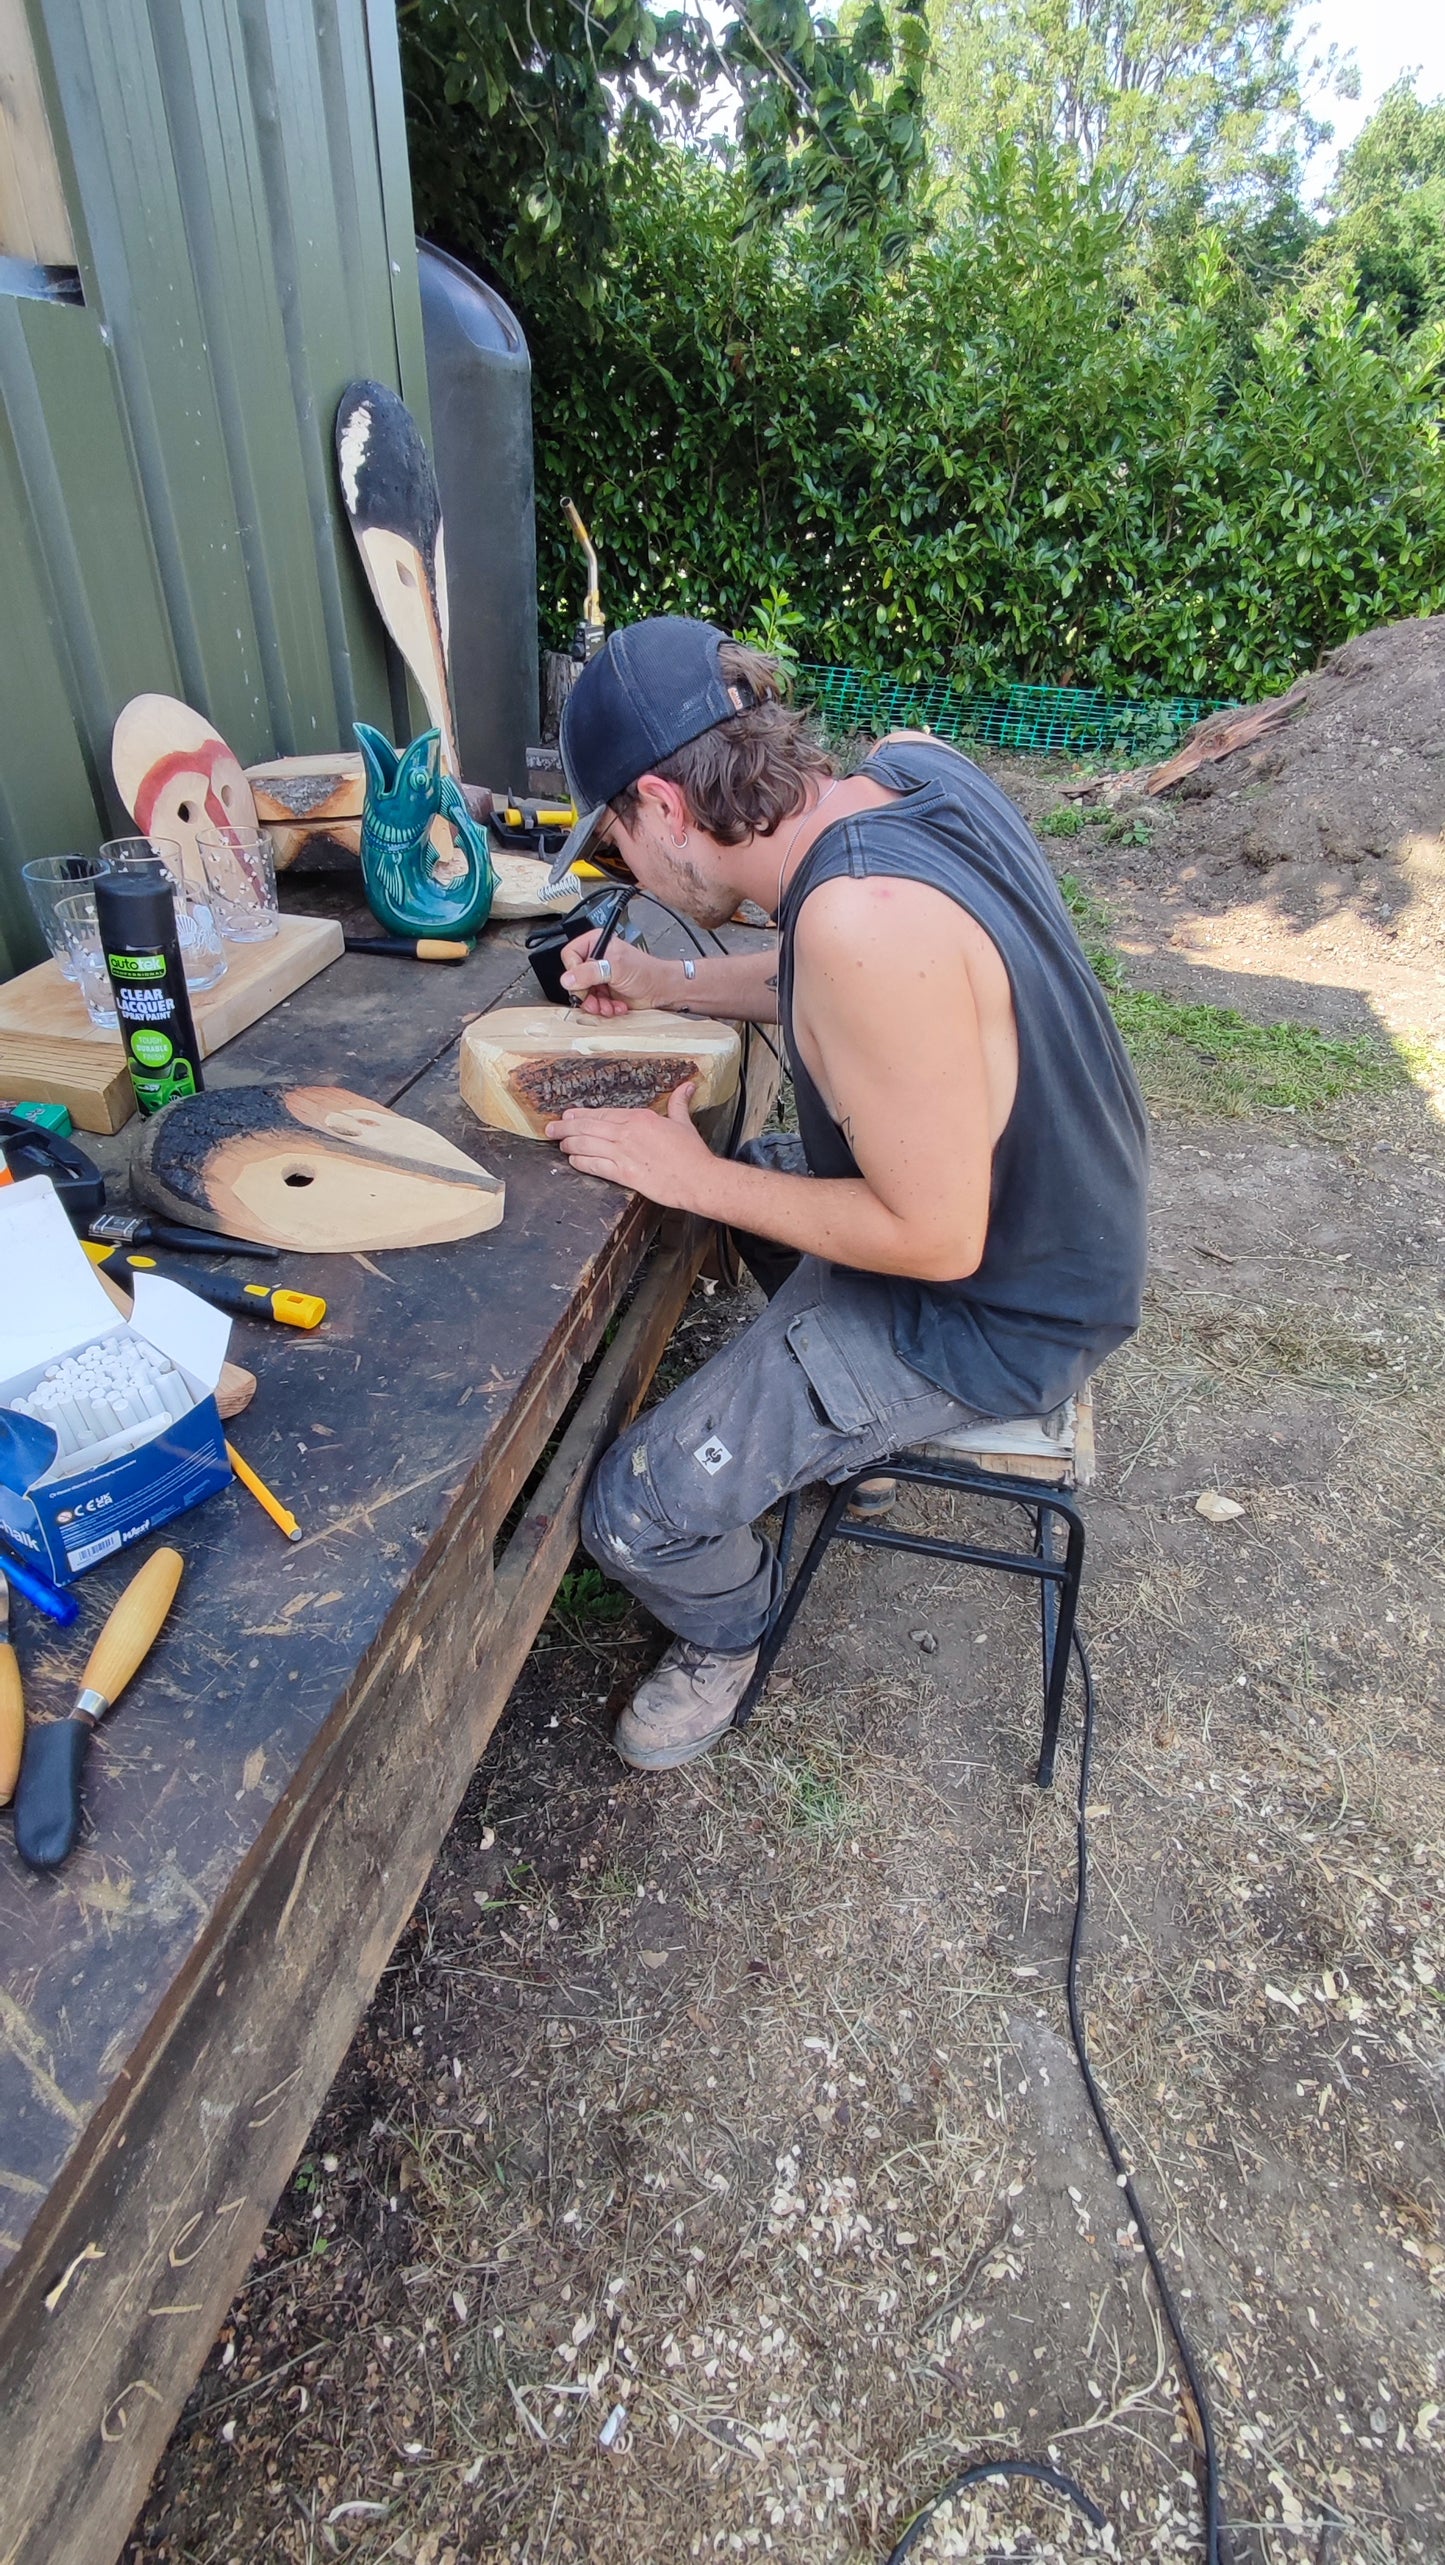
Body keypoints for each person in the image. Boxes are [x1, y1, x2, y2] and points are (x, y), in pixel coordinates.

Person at [543, 617, 1149, 1771]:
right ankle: (843, 1441)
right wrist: (660, 980)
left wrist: (694, 1171)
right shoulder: (917, 774)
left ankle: (731, 1629)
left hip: (999, 1310)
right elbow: (835, 982)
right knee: (744, 1197)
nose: (623, 867)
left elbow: (930, 1234)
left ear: (665, 806)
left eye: (617, 837)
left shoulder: (859, 921)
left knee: (632, 1512)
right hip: (1066, 1224)